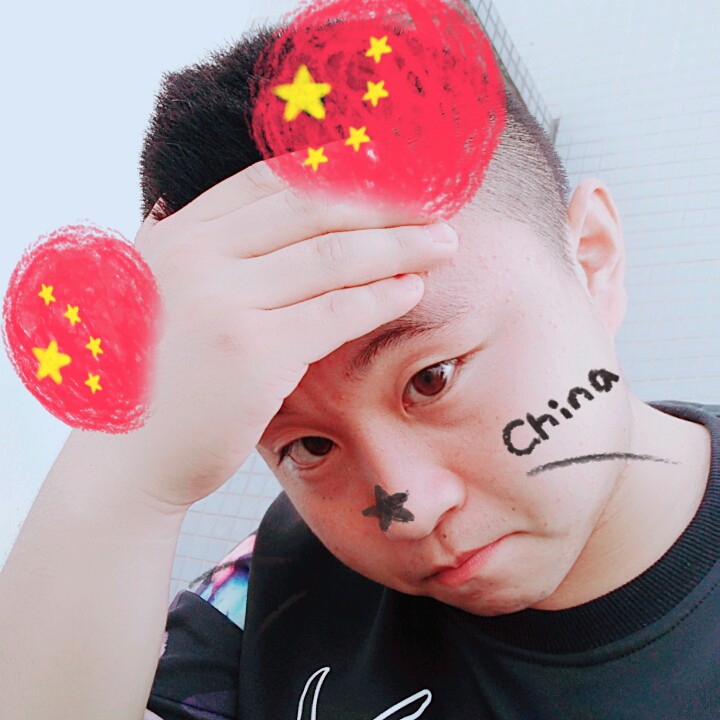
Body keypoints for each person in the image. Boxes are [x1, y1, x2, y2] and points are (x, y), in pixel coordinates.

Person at [1, 9, 718, 720]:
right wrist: (127, 470)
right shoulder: (264, 598)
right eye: (309, 447)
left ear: (591, 260)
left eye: (432, 378)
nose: (406, 509)